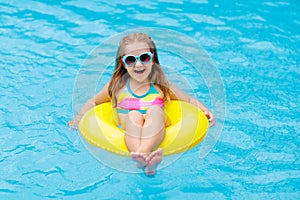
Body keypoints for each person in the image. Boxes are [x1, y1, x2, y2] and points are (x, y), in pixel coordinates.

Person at [68, 32, 215, 176]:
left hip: (157, 124)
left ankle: (142, 154)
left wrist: (204, 110)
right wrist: (79, 118)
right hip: (131, 128)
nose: (138, 64)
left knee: (155, 109)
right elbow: (94, 101)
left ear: (153, 59)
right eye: (131, 60)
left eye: (144, 57)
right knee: (134, 115)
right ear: (123, 64)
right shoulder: (116, 86)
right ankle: (145, 160)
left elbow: (188, 100)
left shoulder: (161, 85)